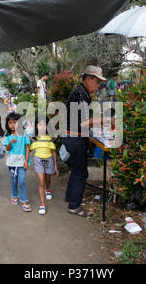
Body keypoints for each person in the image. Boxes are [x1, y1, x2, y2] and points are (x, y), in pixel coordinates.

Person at [63, 65, 111, 217]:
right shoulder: (81, 94)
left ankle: (70, 196)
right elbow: (83, 123)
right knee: (81, 173)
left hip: (71, 136)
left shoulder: (80, 92)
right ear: (89, 78)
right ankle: (74, 206)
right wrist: (104, 120)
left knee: (77, 170)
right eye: (97, 82)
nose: (98, 87)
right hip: (75, 138)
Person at [30, 115, 59, 215]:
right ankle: (42, 204)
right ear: (36, 126)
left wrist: (56, 165)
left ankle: (48, 189)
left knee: (48, 179)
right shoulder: (34, 138)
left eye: (44, 124)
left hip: (49, 160)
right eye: (39, 124)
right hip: (38, 160)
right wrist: (24, 161)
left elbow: (53, 151)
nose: (42, 127)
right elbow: (27, 149)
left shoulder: (50, 138)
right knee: (41, 181)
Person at [3, 112, 32, 212]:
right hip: (11, 163)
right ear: (7, 124)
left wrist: (26, 161)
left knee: (22, 181)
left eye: (15, 122)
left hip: (22, 162)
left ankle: (24, 201)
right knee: (14, 181)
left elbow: (27, 147)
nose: (12, 125)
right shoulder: (8, 136)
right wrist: (10, 142)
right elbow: (7, 149)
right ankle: (15, 195)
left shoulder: (24, 135)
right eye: (10, 123)